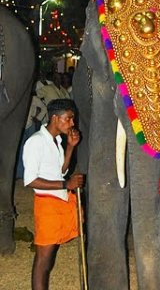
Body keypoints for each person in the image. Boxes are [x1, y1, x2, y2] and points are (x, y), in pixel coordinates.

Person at [23, 99, 84, 290]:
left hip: (59, 200)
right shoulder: (35, 142)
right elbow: (30, 180)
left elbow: (60, 170)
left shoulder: (56, 140)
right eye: (69, 119)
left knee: (48, 260)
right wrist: (67, 184)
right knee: (43, 260)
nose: (72, 123)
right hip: (47, 204)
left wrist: (71, 147)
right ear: (55, 118)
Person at [15, 92, 47, 179]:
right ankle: (20, 173)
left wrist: (37, 118)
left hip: (30, 126)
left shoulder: (34, 98)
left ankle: (33, 173)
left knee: (31, 149)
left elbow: (44, 108)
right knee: (21, 150)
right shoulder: (18, 97)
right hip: (19, 126)